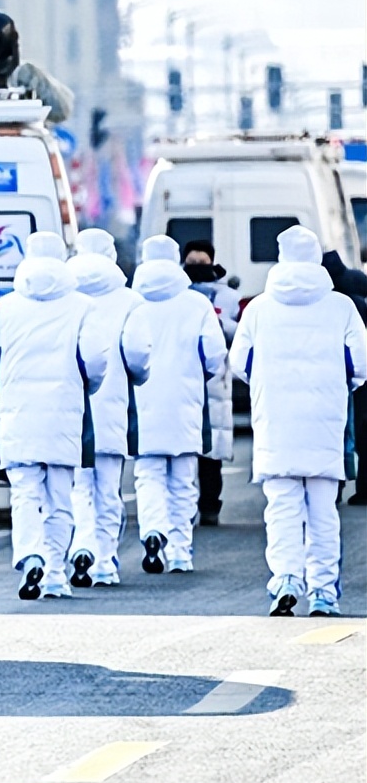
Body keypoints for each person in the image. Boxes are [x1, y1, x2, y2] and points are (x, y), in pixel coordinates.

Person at [231, 226, 367, 616]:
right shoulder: (341, 306)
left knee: (282, 510)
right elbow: (360, 365)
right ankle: (324, 592)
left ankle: (286, 580)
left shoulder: (258, 308)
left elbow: (239, 363)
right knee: (324, 513)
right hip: (326, 425)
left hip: (276, 424)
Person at [0, 231, 107, 600]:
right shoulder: (82, 305)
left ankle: (28, 552)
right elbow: (96, 360)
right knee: (59, 497)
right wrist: (87, 386)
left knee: (24, 492)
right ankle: (54, 574)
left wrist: (10, 382)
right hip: (65, 411)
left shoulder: (7, 305)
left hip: (19, 412)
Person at [126, 235, 228, 574]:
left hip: (142, 400)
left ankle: (154, 530)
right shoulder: (196, 304)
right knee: (184, 479)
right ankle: (182, 553)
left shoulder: (132, 302)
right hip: (186, 401)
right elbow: (215, 355)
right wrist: (197, 376)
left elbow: (127, 352)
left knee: (149, 473)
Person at [65, 228, 152, 588]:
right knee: (108, 489)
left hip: (71, 407)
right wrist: (138, 376)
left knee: (79, 487)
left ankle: (81, 543)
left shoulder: (63, 297)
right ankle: (105, 563)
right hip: (113, 406)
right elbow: (138, 352)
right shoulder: (130, 301)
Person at [182, 239, 241, 525]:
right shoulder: (177, 293)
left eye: (202, 264)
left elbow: (238, 334)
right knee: (182, 447)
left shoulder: (227, 296)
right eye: (191, 263)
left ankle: (209, 506)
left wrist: (218, 323)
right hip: (181, 378)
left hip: (215, 382)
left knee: (211, 449)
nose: (196, 269)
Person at [321, 249, 367, 505]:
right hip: (360, 373)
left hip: (337, 374)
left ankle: (335, 485)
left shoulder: (332, 303)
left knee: (338, 430)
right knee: (361, 432)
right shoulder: (358, 283)